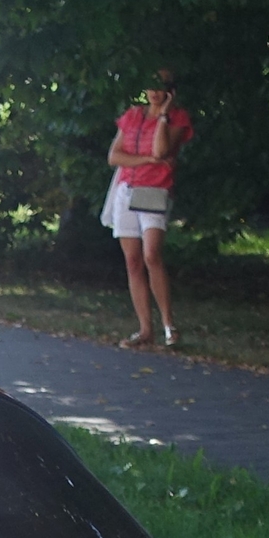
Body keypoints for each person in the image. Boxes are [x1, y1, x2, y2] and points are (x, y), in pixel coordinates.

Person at [103, 69, 192, 349]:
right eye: (151, 86)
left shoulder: (177, 118)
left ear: (170, 90)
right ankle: (144, 329)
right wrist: (145, 160)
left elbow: (163, 151)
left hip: (154, 191)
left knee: (152, 254)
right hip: (126, 190)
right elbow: (114, 156)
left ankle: (169, 325)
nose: (154, 92)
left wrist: (164, 115)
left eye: (162, 87)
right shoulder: (132, 115)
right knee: (132, 261)